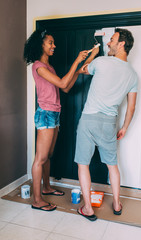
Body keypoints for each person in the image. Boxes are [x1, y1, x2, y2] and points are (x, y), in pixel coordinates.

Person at [75, 28, 138, 221]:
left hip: (89, 120)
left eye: (112, 40)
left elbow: (82, 70)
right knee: (112, 165)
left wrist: (92, 55)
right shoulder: (133, 75)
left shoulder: (100, 62)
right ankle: (117, 204)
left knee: (83, 164)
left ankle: (88, 208)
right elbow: (131, 107)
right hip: (109, 123)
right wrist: (124, 127)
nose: (108, 43)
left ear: (121, 45)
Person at [24, 29, 88, 211]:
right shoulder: (38, 66)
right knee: (40, 158)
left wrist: (78, 71)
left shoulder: (50, 67)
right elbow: (61, 83)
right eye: (50, 43)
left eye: (53, 43)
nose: (54, 46)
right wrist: (76, 61)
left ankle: (46, 187)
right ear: (41, 45)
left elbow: (65, 87)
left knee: (48, 156)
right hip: (45, 113)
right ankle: (37, 201)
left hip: (54, 114)